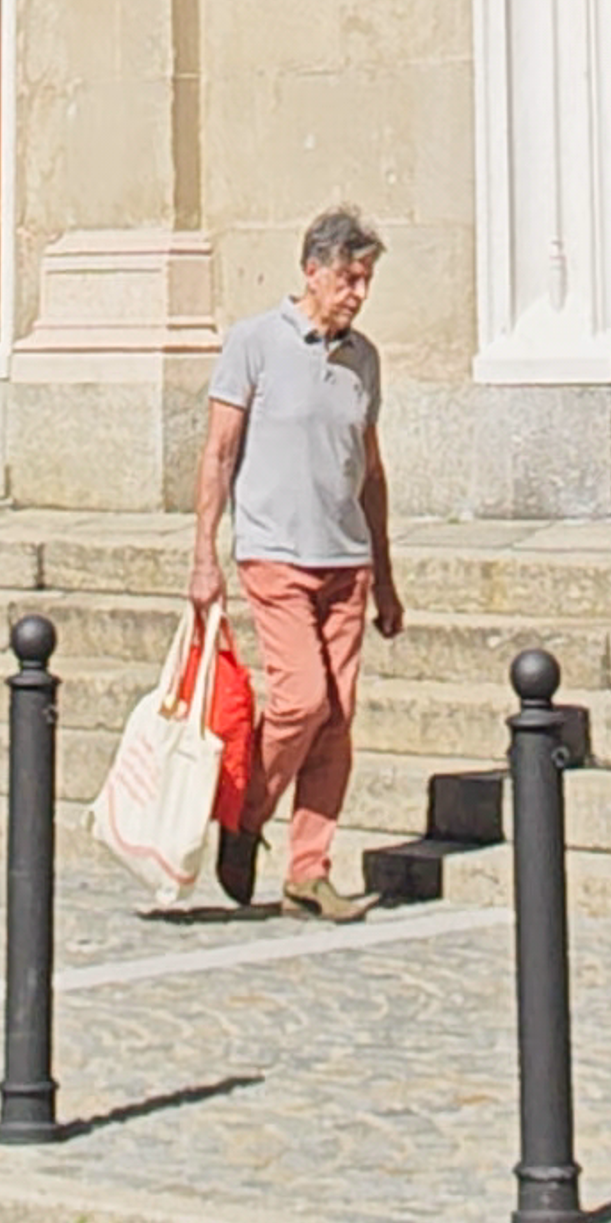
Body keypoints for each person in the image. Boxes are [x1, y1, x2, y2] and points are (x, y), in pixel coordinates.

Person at [187, 208, 403, 923]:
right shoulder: (253, 343)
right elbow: (219, 452)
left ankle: (309, 871)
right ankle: (245, 815)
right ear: (312, 271)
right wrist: (204, 555)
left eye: (366, 279)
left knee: (335, 720)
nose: (358, 293)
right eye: (348, 277)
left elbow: (370, 471)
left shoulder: (363, 359)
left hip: (346, 559)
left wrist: (386, 577)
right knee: (300, 701)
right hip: (275, 553)